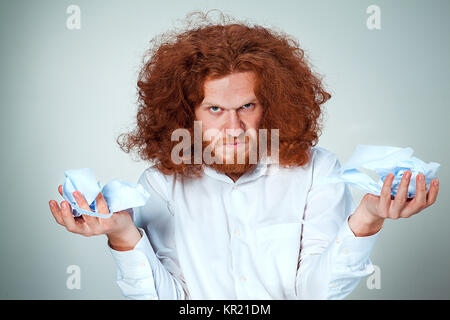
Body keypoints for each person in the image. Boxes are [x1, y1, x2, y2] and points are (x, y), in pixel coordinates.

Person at [48, 11, 439, 300]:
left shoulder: (317, 170)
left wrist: (367, 218)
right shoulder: (160, 183)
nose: (234, 128)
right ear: (188, 114)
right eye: (215, 109)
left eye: (247, 107)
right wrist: (122, 234)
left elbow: (317, 293)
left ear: (272, 105)